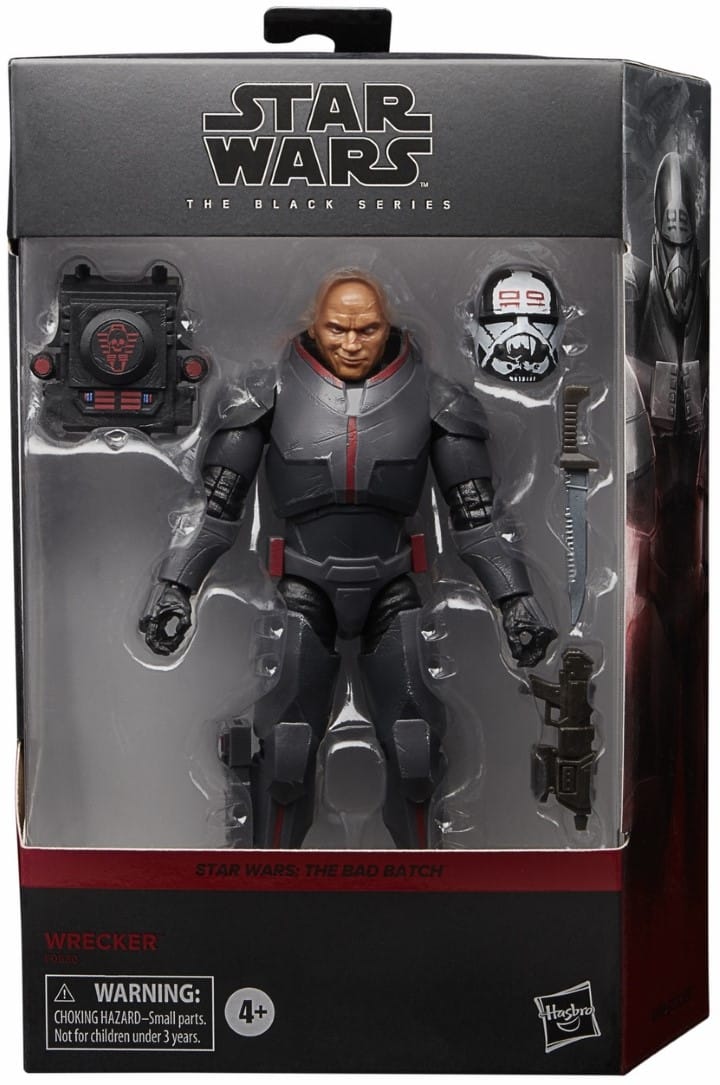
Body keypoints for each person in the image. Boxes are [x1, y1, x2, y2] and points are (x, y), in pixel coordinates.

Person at [141, 270, 555, 847]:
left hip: (393, 587)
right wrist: (175, 587)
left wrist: (515, 601)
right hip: (303, 588)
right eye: (338, 329)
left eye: (368, 329)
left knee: (415, 748)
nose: (352, 343)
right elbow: (215, 507)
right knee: (286, 751)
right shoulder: (263, 396)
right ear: (313, 326)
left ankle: (425, 881)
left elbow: (477, 516)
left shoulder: (436, 399)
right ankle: (269, 880)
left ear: (389, 327)